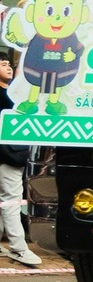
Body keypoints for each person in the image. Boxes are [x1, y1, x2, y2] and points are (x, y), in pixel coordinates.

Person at [0, 49, 32, 268]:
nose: (9, 67)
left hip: (12, 154)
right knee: (12, 199)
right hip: (8, 155)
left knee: (6, 199)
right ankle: (19, 248)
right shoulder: (9, 96)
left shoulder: (14, 94)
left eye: (9, 64)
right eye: (3, 64)